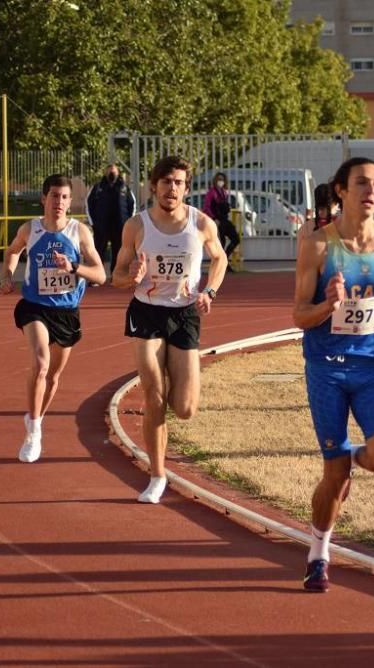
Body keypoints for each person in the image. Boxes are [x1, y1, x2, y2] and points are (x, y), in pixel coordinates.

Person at [292, 157, 374, 593]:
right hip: (325, 369)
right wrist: (328, 305)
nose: (371, 191)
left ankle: (370, 458)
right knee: (335, 474)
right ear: (341, 190)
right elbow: (298, 315)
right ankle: (318, 552)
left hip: (369, 367)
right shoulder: (319, 246)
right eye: (362, 183)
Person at [111, 155, 227, 503]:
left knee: (186, 407)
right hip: (146, 313)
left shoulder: (202, 224)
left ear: (186, 188)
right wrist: (129, 276)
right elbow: (115, 276)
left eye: (178, 182)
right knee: (154, 395)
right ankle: (157, 475)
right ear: (153, 186)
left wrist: (210, 291)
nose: (171, 188)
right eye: (165, 182)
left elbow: (219, 258)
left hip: (185, 313)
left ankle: (177, 380)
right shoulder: (136, 226)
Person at [0, 174, 106, 463]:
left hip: (67, 312)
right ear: (44, 198)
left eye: (64, 197)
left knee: (54, 376)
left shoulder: (79, 232)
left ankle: (37, 418)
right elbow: (12, 252)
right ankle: (33, 433)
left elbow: (100, 274)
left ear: (70, 202)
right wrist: (8, 275)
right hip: (34, 306)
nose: (58, 202)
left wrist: (73, 267)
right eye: (54, 196)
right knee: (41, 362)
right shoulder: (29, 229)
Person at [86, 163, 136, 274]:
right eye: (109, 170)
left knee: (118, 251)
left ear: (118, 173)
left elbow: (132, 205)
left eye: (114, 171)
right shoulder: (97, 187)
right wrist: (93, 223)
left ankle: (116, 275)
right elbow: (89, 204)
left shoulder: (125, 188)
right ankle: (97, 275)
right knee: (98, 251)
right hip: (101, 226)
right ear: (105, 172)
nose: (111, 173)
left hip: (120, 226)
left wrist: (128, 223)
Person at [202, 172, 240, 267]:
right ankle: (220, 264)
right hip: (216, 221)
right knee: (221, 243)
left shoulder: (224, 192)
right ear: (215, 180)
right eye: (219, 179)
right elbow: (206, 207)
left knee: (236, 239)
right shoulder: (211, 192)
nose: (220, 181)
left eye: (222, 179)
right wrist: (214, 219)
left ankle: (225, 260)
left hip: (224, 219)